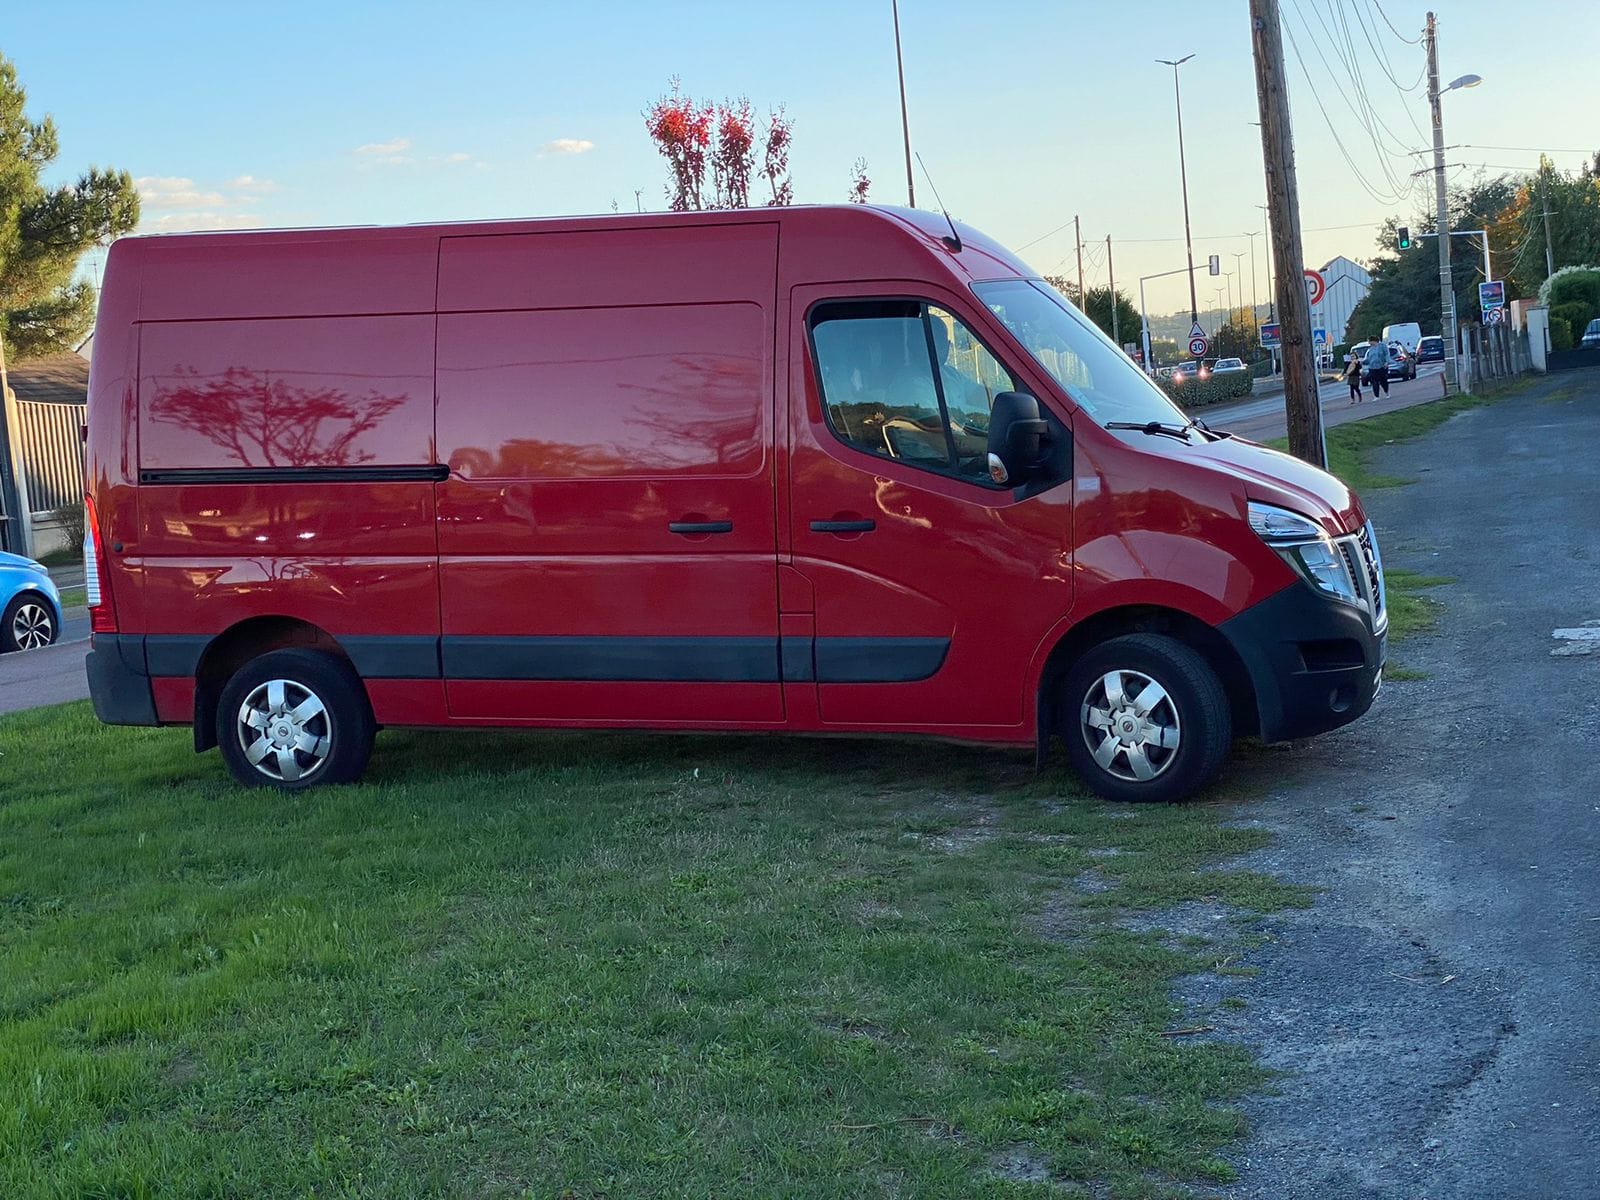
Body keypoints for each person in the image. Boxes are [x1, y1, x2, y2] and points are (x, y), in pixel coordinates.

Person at [1362, 334, 1390, 399]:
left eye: (1369, 341)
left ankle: (1387, 392)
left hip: (1382, 366)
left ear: (1373, 341)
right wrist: (1363, 361)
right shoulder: (1370, 349)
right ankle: (1376, 396)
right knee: (1374, 382)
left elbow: (1387, 354)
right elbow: (1368, 358)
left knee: (1383, 381)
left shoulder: (1382, 346)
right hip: (1372, 367)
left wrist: (1386, 362)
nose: (1369, 343)